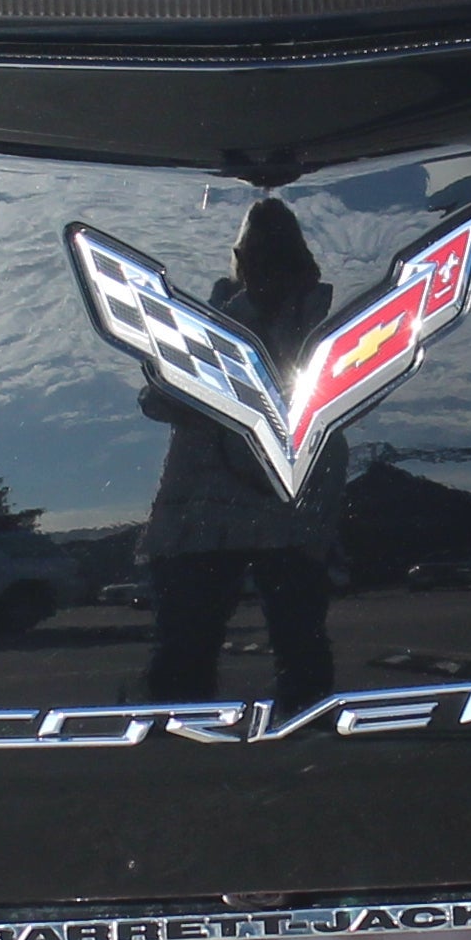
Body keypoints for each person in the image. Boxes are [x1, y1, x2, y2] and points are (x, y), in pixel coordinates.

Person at [138, 200, 343, 713]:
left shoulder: (324, 323)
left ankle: (311, 735)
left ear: (302, 261)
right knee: (185, 647)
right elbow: (155, 397)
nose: (265, 269)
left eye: (279, 255)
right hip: (204, 512)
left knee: (301, 646)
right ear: (239, 260)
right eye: (256, 255)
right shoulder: (207, 321)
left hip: (289, 509)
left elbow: (333, 410)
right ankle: (175, 738)